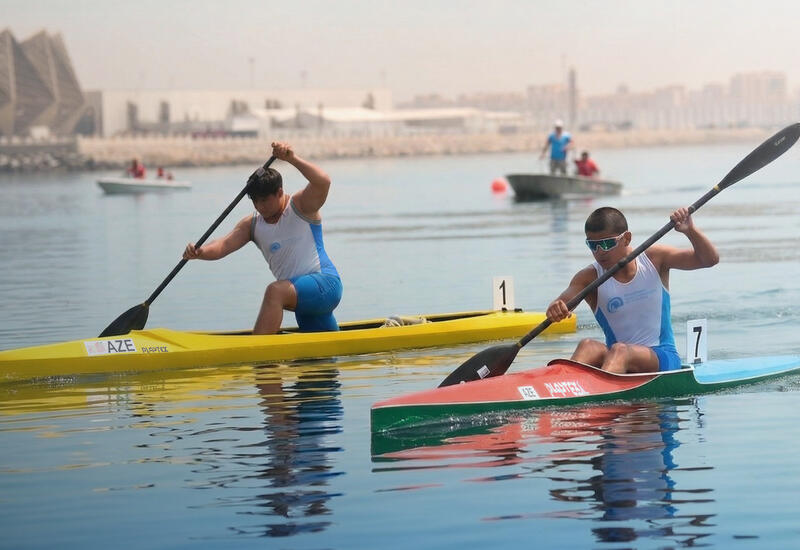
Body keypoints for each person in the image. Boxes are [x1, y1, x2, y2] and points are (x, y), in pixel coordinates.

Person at [182, 142, 342, 334]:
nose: (260, 206)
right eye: (255, 201)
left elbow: (323, 182)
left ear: (280, 192)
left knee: (275, 292)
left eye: (265, 200)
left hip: (325, 283)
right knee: (324, 348)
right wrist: (200, 252)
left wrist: (291, 159)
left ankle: (257, 349)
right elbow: (223, 245)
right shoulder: (252, 224)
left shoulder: (301, 206)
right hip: (302, 298)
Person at [546, 206, 719, 374]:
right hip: (616, 357)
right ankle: (562, 385)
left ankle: (604, 387)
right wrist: (556, 308)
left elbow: (709, 260)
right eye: (592, 245)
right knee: (587, 345)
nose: (599, 252)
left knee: (620, 350)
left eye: (607, 244)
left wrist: (690, 231)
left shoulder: (655, 259)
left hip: (662, 355)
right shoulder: (588, 277)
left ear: (626, 238)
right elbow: (563, 302)